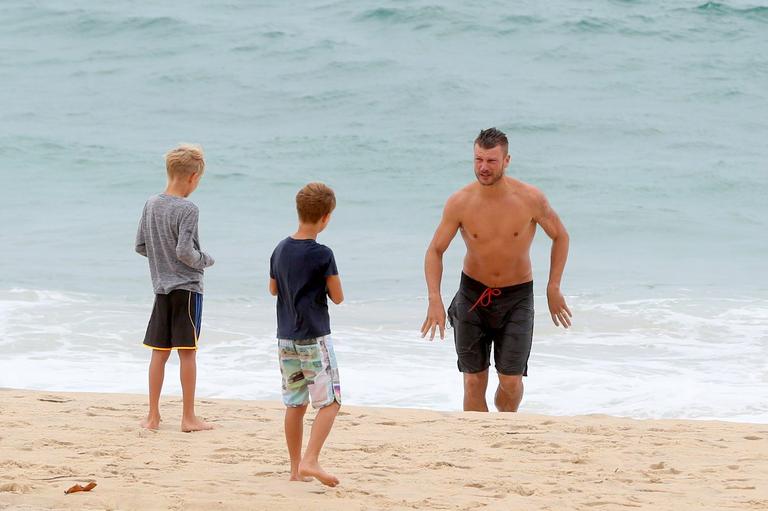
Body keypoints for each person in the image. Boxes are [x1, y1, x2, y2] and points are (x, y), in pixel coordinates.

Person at [421, 128, 571, 412]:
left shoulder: (530, 199)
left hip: (517, 297)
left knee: (511, 381)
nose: (483, 168)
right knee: (473, 382)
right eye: (478, 159)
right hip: (472, 295)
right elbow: (435, 251)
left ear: (507, 160)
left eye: (491, 161)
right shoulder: (460, 202)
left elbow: (560, 236)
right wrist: (434, 298)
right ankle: (479, 444)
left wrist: (553, 287)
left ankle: (504, 424)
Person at [135, 144, 215, 432]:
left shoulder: (151, 203)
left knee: (159, 352)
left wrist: (161, 258)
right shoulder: (188, 209)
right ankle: (188, 418)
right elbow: (185, 251)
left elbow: (141, 245)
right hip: (188, 289)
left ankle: (153, 416)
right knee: (187, 352)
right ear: (193, 177)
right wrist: (205, 260)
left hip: (161, 288)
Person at [269, 182, 343, 487]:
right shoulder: (323, 254)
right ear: (325, 217)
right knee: (330, 402)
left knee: (295, 404)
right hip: (314, 336)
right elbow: (337, 296)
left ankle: (295, 469)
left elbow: (273, 289)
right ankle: (311, 458)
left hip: (285, 337)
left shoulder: (280, 249)